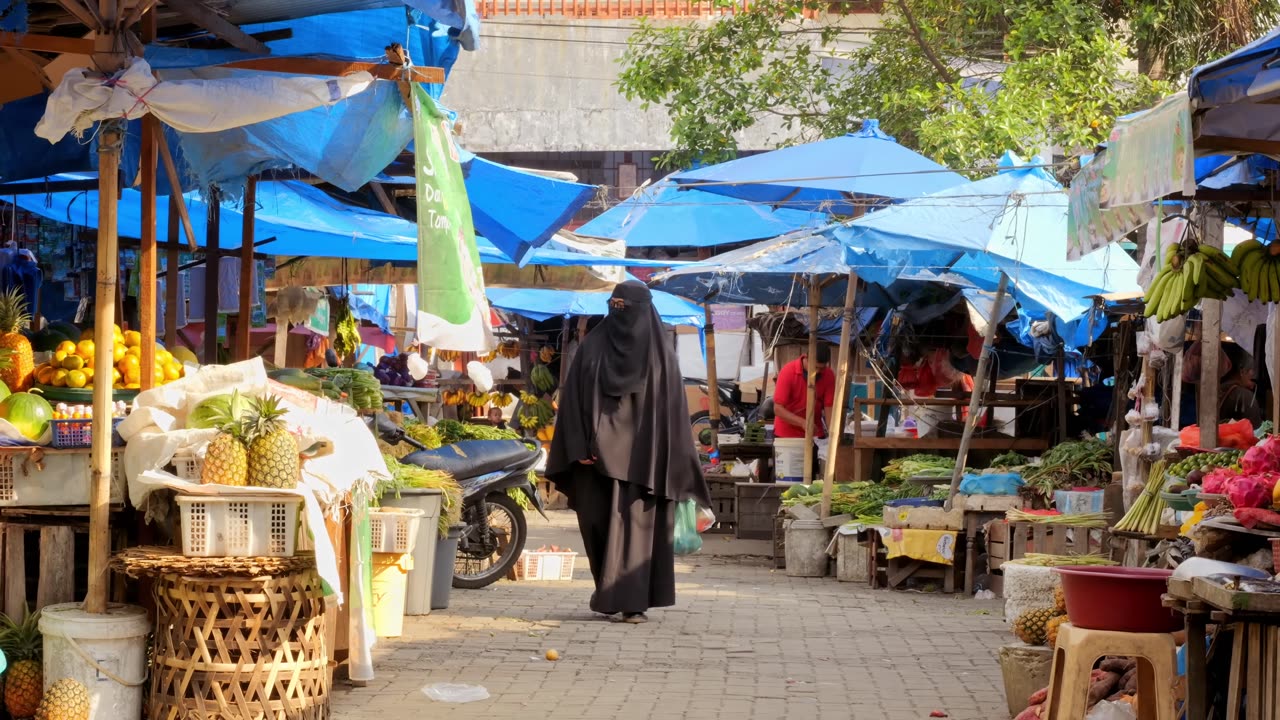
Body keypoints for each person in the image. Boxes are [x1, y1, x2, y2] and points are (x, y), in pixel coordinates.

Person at [547, 281, 710, 624]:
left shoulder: (660, 358)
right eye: (614, 306)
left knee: (639, 534)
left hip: (643, 465)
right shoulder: (593, 347)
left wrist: (676, 466)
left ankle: (634, 602)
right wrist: (580, 445)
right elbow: (573, 401)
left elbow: (671, 417)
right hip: (593, 461)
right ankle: (609, 595)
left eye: (626, 307)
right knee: (598, 527)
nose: (620, 313)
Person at [771, 345, 835, 441]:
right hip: (786, 434)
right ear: (806, 357)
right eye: (815, 367)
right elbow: (778, 409)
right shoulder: (788, 371)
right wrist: (803, 423)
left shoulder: (828, 375)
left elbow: (829, 407)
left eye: (821, 368)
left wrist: (832, 434)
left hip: (815, 434)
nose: (817, 372)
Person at [1220, 344, 1263, 427]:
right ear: (1242, 371)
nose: (1256, 377)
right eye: (1254, 371)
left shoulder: (1219, 388)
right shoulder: (1246, 396)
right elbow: (1255, 429)